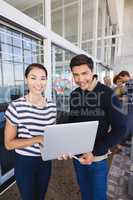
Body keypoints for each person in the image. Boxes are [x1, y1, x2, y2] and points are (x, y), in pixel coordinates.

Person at [67, 54, 127, 200]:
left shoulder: (108, 94)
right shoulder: (74, 94)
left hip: (97, 158)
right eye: (76, 75)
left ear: (93, 71)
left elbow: (121, 129)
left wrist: (94, 151)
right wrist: (65, 144)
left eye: (84, 73)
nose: (80, 79)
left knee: (98, 196)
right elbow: (72, 123)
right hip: (78, 156)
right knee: (85, 193)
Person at [4, 63, 57, 200]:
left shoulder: (51, 106)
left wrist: (59, 150)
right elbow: (8, 144)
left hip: (45, 161)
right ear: (26, 79)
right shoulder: (16, 106)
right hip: (25, 162)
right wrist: (37, 139)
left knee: (40, 197)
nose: (38, 83)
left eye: (43, 78)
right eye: (33, 78)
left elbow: (52, 137)